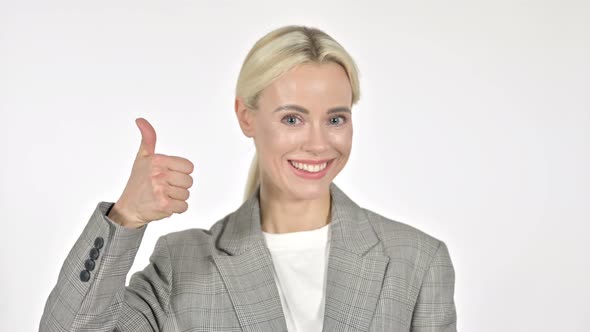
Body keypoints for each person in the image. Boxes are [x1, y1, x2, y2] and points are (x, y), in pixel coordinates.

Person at [39, 25, 457, 332]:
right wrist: (126, 216)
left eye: (335, 118)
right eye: (292, 118)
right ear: (246, 117)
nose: (317, 143)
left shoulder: (417, 263)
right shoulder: (182, 265)